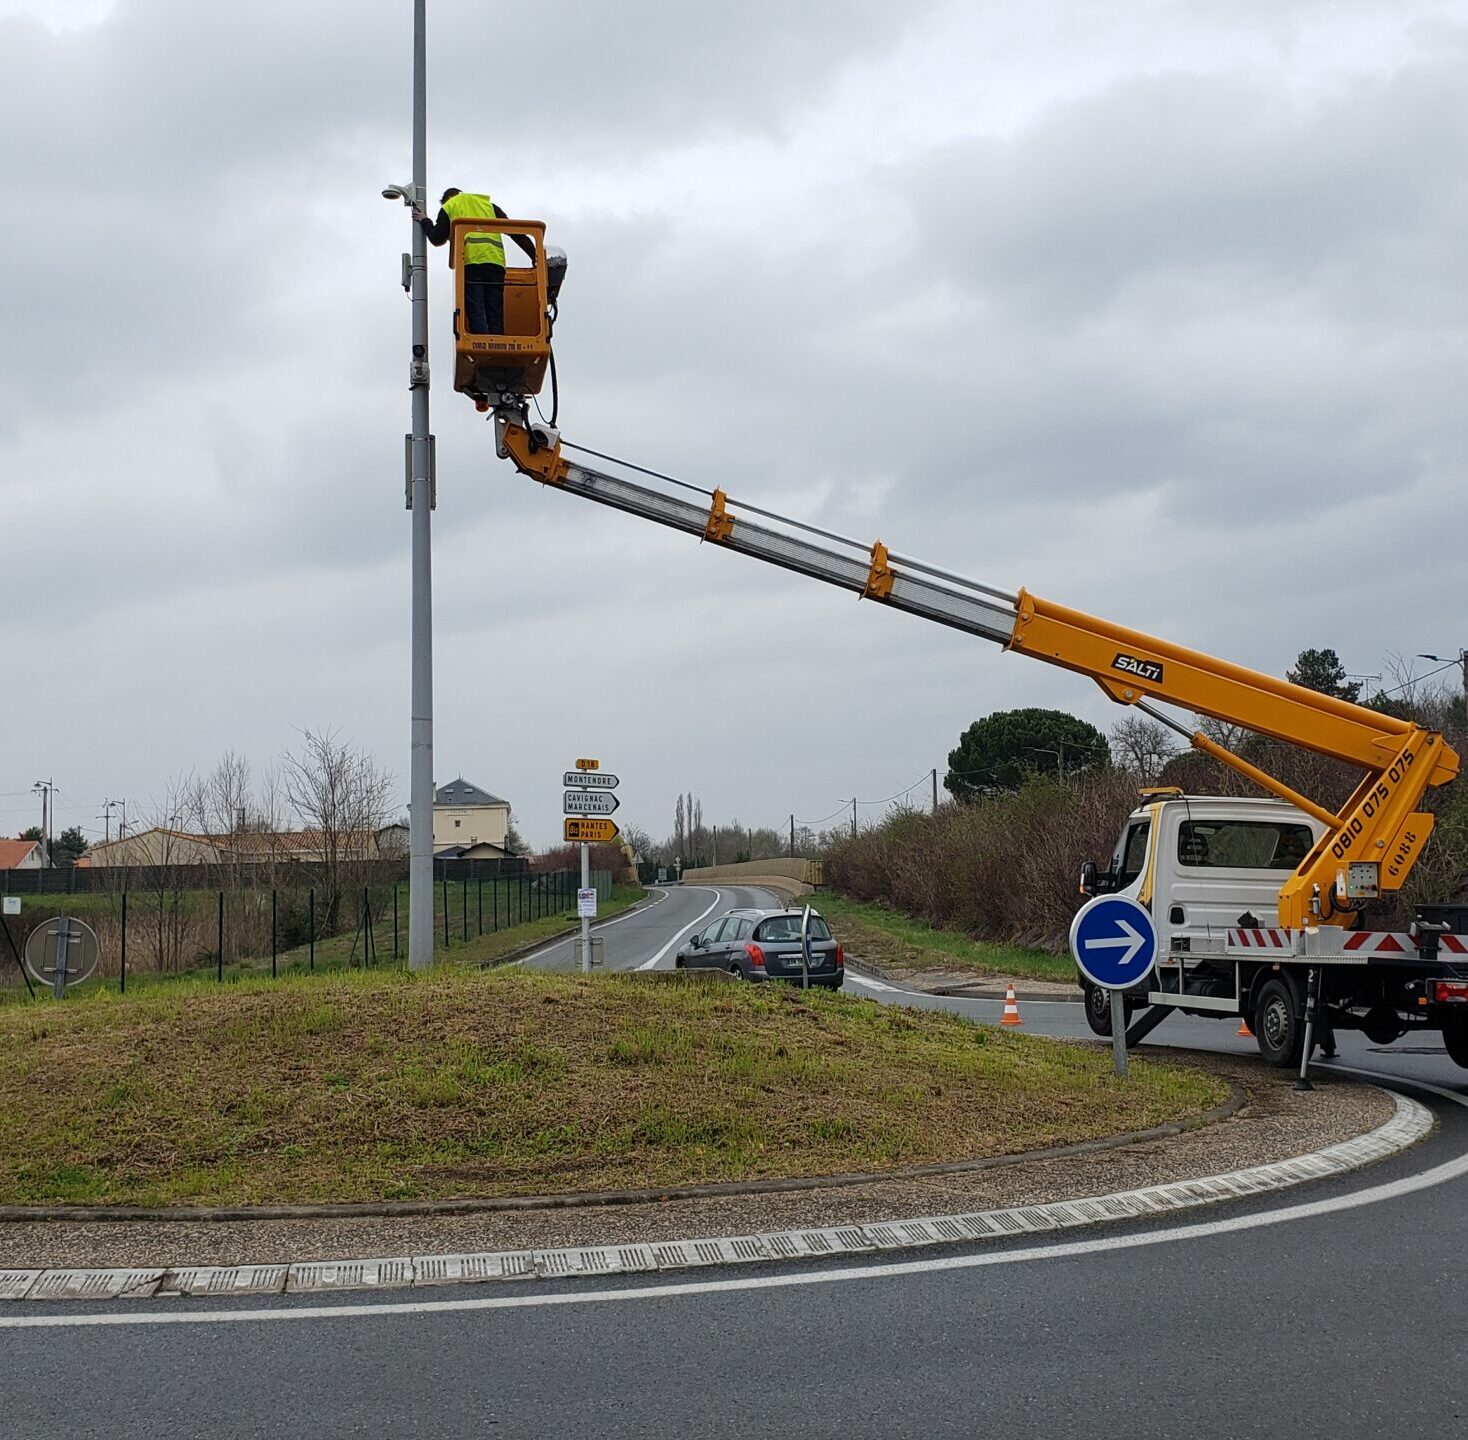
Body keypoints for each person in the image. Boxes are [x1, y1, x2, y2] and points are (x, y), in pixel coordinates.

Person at [416, 188, 536, 336]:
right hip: (495, 264)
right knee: (495, 310)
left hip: (472, 263)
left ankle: (481, 346)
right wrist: (534, 256)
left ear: (447, 198)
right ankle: (497, 345)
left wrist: (425, 221)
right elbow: (515, 232)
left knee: (476, 307)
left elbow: (437, 238)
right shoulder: (488, 206)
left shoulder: (450, 206)